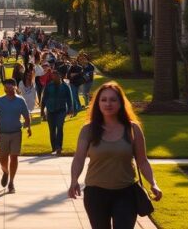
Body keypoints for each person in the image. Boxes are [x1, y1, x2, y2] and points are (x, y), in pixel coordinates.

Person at [68, 82, 162, 229]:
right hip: (96, 193)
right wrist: (74, 180)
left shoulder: (133, 129)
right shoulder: (88, 130)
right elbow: (79, 159)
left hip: (126, 193)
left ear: (120, 102)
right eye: (103, 100)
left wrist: (153, 183)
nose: (108, 104)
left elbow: (142, 161)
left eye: (113, 99)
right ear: (97, 103)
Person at [0, 79, 32, 193]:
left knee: (14, 157)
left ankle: (11, 182)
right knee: (2, 159)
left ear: (15, 87)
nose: (8, 88)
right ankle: (5, 172)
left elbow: (26, 116)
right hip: (3, 134)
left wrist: (28, 127)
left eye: (10, 86)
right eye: (6, 87)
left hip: (16, 133)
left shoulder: (20, 101)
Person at [41, 69, 74, 156]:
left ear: (60, 76)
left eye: (56, 75)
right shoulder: (49, 86)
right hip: (50, 110)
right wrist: (42, 111)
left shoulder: (65, 86)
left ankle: (59, 146)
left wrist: (70, 108)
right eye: (53, 75)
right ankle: (54, 147)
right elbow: (44, 99)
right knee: (52, 129)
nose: (54, 77)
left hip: (61, 110)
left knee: (59, 127)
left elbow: (70, 98)